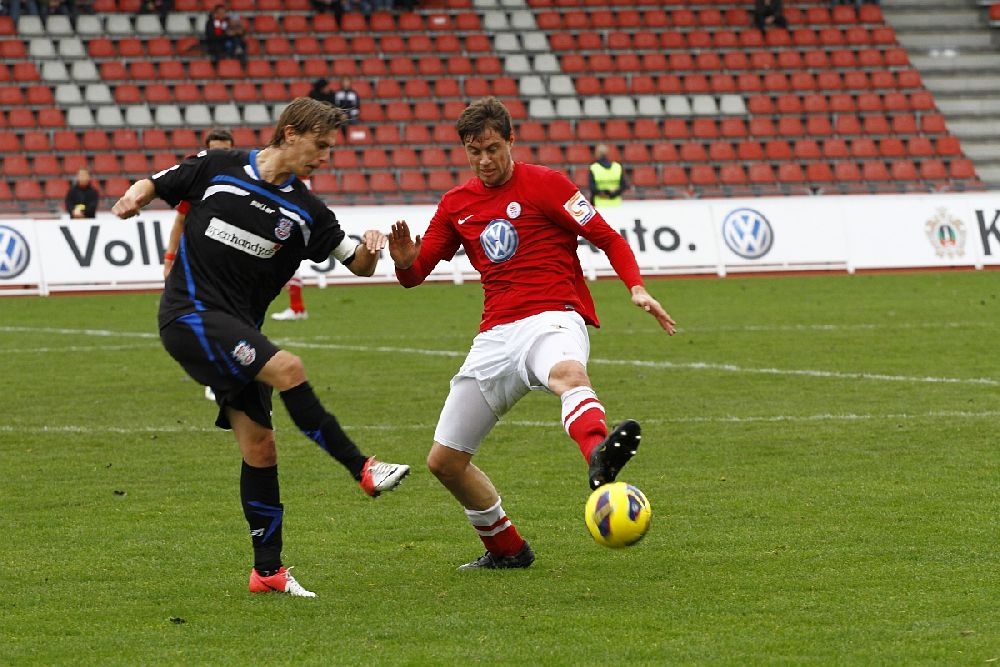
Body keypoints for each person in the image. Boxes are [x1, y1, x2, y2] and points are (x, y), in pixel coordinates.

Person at [111, 97, 411, 597]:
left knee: (261, 450)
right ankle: (362, 468)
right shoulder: (220, 168)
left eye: (330, 149)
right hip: (188, 315)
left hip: (238, 329)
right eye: (320, 145)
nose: (325, 157)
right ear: (290, 133)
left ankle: (267, 573)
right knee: (288, 367)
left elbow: (357, 263)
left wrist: (379, 248)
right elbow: (157, 183)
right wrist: (134, 197)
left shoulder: (308, 211)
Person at [386, 97, 676, 570]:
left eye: (493, 149)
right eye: (474, 152)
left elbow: (608, 238)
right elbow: (415, 275)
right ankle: (508, 549)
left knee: (567, 374)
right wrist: (403, 261)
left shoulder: (548, 184)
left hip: (553, 316)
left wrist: (637, 288)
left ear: (511, 141)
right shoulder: (456, 205)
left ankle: (598, 455)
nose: (485, 161)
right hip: (495, 336)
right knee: (445, 462)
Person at [163, 127, 237, 400]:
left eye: (224, 151)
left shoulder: (247, 183)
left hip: (236, 263)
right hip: (200, 263)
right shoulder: (198, 183)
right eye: (215, 151)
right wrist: (169, 258)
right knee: (208, 319)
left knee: (238, 319)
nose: (219, 156)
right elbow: (180, 221)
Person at [587, 143, 627, 208]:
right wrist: (613, 193)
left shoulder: (594, 167)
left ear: (597, 153)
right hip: (616, 205)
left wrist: (604, 193)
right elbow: (623, 185)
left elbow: (592, 188)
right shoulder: (617, 167)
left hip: (599, 205)